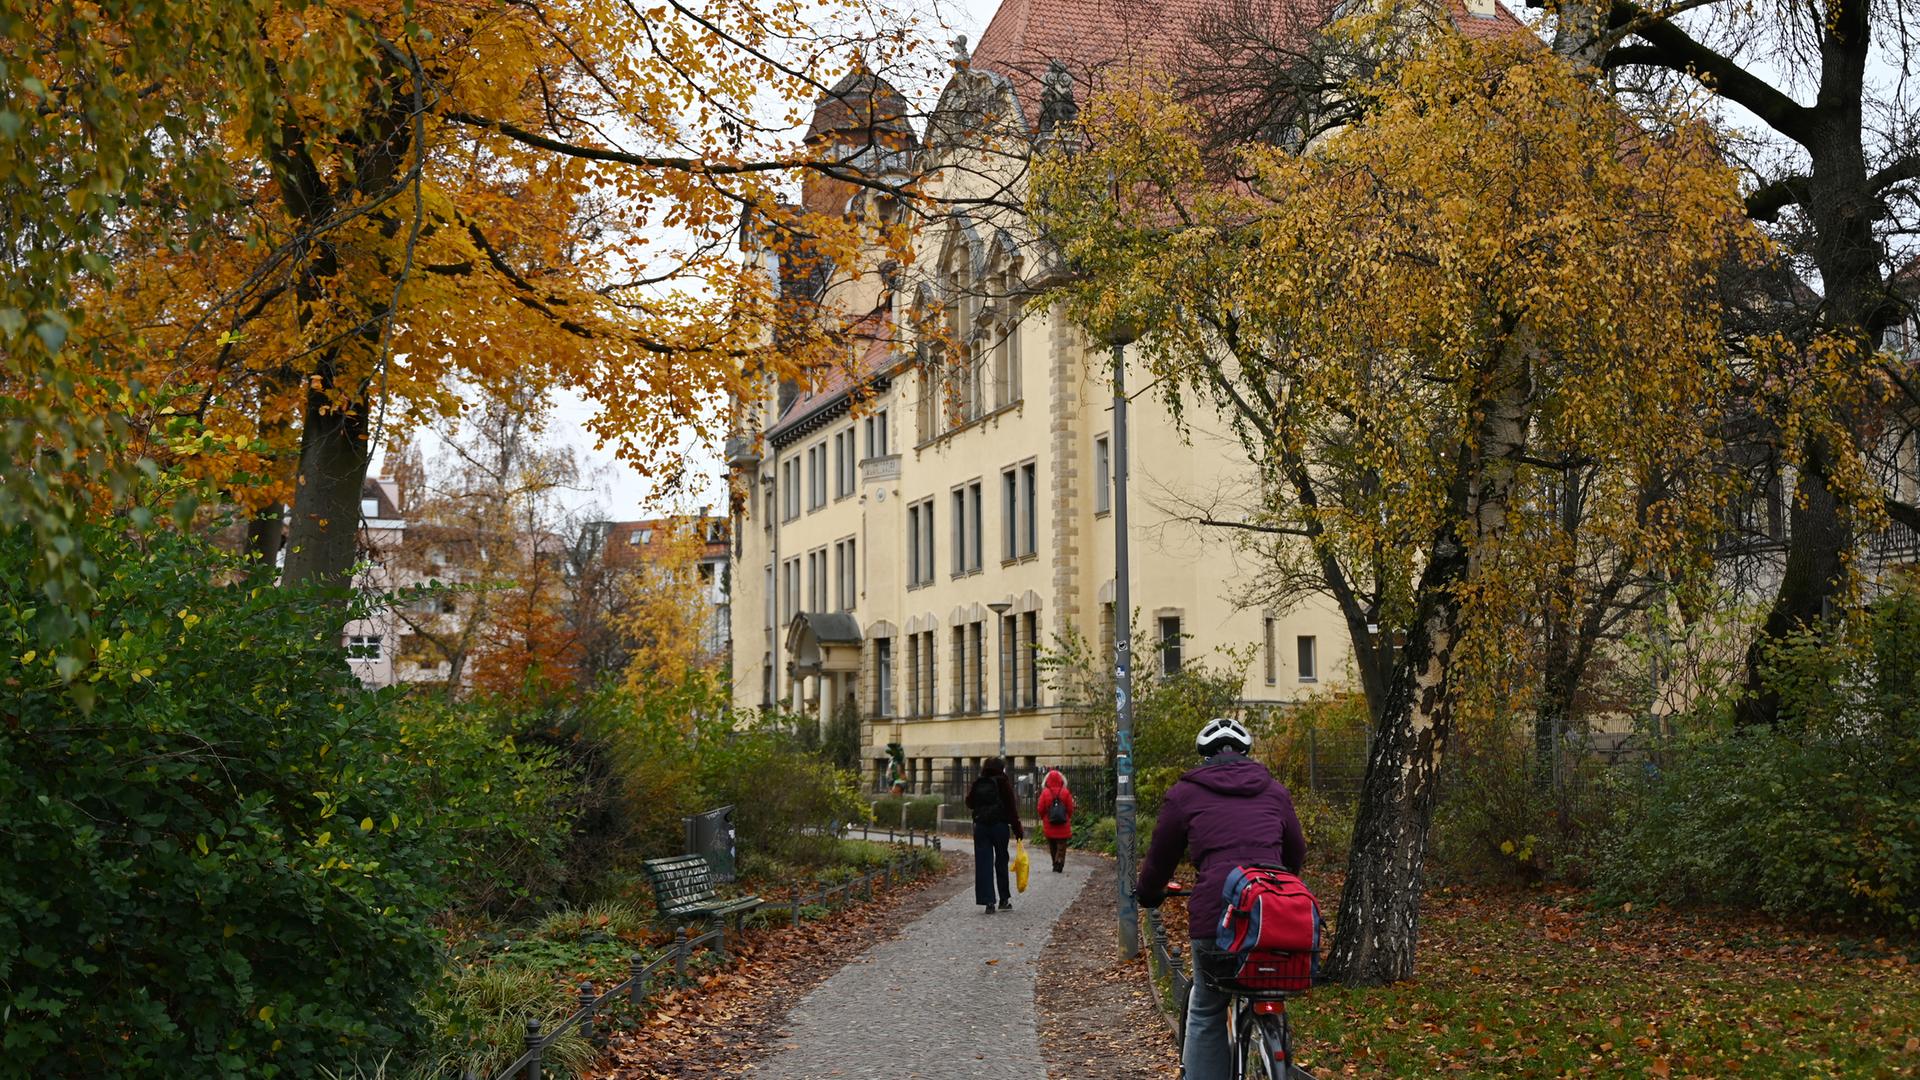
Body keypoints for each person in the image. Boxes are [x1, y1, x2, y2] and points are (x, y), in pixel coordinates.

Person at [1134, 717, 1306, 1080]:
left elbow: (1160, 859)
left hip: (1217, 916)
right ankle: (1274, 1046)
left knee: (1207, 1006)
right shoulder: (1275, 791)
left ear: (1205, 758)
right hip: (1273, 915)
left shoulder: (1185, 794)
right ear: (1246, 754)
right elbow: (1295, 855)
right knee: (1269, 982)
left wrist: (1149, 894)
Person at [964, 757, 1024, 914]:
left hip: (981, 827)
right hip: (999, 826)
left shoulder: (978, 782)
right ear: (1001, 768)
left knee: (984, 863)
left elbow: (969, 803)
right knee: (1001, 861)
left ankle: (988, 901)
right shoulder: (1003, 783)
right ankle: (1004, 899)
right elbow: (1012, 809)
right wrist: (1018, 830)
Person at [1036, 769, 1076, 872]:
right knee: (1061, 845)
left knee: (1052, 845)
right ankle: (1060, 862)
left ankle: (1055, 863)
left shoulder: (1045, 793)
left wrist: (1044, 818)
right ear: (1061, 779)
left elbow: (1040, 808)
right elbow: (1070, 808)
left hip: (1049, 823)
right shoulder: (1065, 792)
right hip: (1063, 823)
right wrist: (1068, 817)